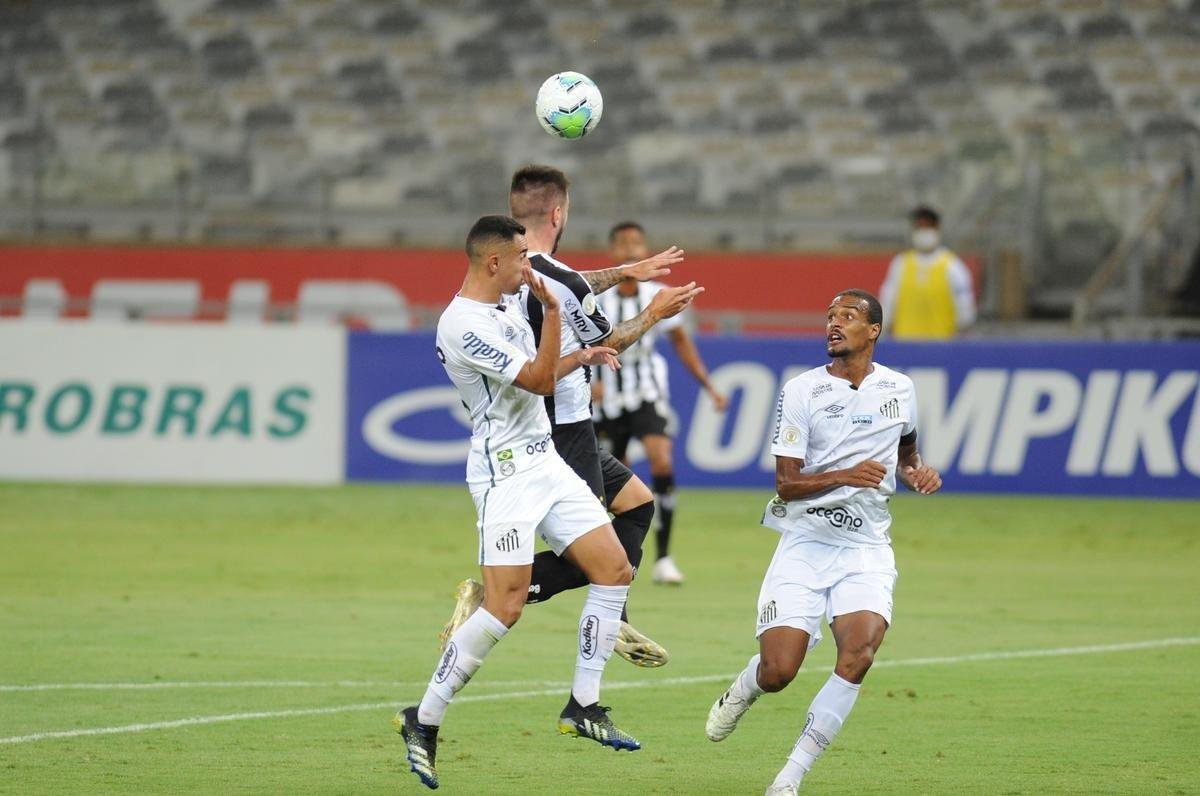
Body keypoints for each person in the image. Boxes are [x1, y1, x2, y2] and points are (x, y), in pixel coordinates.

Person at [397, 215, 639, 790]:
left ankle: (583, 705)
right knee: (504, 608)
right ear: (494, 262)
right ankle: (423, 718)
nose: (529, 267)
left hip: (545, 461)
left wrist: (581, 358)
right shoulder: (461, 324)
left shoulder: (506, 306)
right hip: (503, 476)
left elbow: (542, 372)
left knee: (614, 570)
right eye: (522, 258)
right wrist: (554, 316)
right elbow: (536, 381)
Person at [437, 166, 703, 669]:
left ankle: (614, 615)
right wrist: (655, 312)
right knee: (596, 550)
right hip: (562, 427)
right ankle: (494, 600)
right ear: (559, 213)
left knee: (638, 504)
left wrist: (626, 271)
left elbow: (572, 284)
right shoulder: (555, 278)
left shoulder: (511, 269)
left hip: (545, 422)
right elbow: (607, 340)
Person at [704, 288, 942, 795]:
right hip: (806, 543)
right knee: (779, 672)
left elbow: (906, 451)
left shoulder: (900, 388)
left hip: (866, 548)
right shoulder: (802, 390)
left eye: (848, 316)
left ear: (873, 330)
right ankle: (745, 687)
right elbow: (786, 484)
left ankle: (788, 779)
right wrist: (846, 475)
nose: (834, 323)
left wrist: (917, 472)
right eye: (830, 316)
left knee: (858, 655)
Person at [593, 220, 729, 585]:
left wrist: (709, 387)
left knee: (662, 459)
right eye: (622, 242)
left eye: (636, 242)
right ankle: (617, 558)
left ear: (645, 249)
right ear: (612, 251)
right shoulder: (596, 300)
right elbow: (577, 344)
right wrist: (587, 383)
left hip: (646, 393)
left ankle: (665, 558)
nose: (630, 248)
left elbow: (682, 344)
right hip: (606, 400)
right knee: (616, 482)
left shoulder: (660, 294)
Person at [878, 205, 976, 340]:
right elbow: (887, 303)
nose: (923, 232)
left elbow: (965, 312)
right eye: (919, 227)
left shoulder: (953, 267)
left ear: (937, 228)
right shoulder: (900, 264)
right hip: (905, 343)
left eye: (927, 226)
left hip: (941, 344)